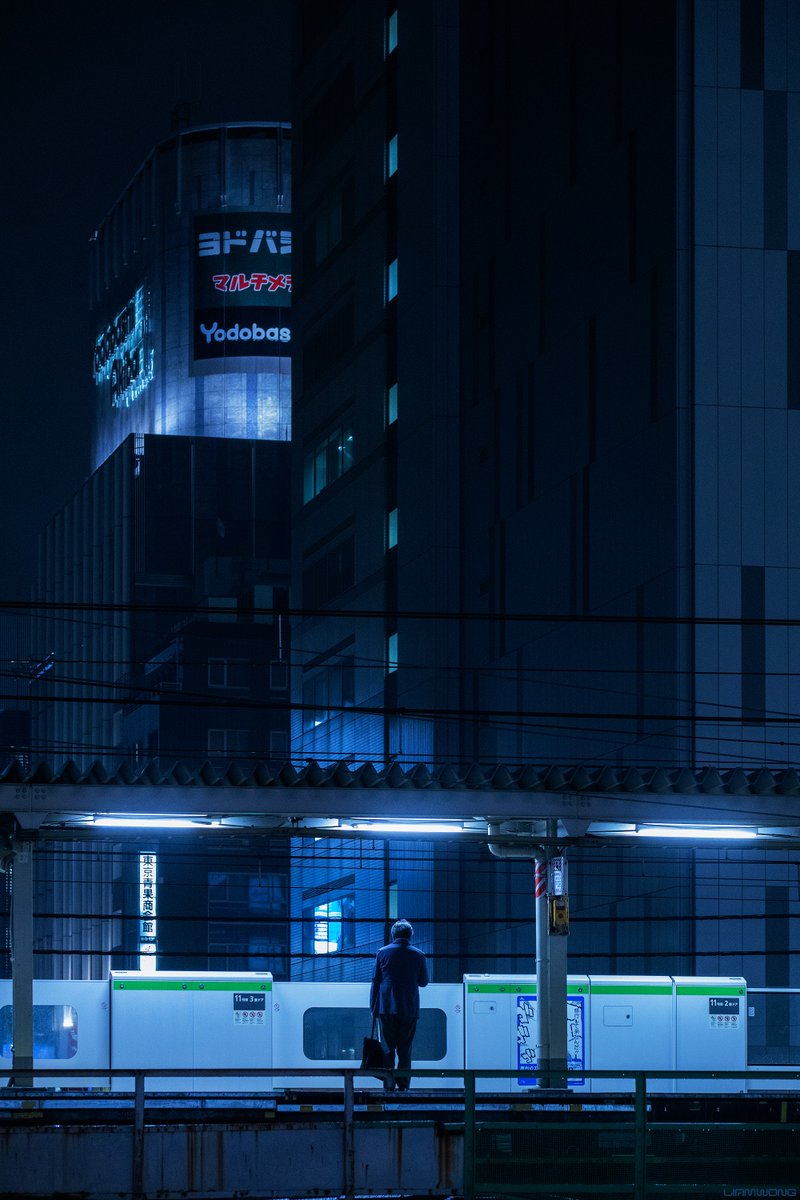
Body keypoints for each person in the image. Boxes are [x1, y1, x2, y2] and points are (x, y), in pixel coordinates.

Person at [369, 918, 429, 1090]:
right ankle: (403, 1086)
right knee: (405, 1049)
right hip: (409, 1008)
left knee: (388, 1048)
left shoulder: (382, 952)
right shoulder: (418, 955)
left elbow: (376, 981)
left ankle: (388, 1085)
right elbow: (424, 982)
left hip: (386, 1007)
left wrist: (373, 1008)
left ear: (393, 934)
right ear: (410, 935)